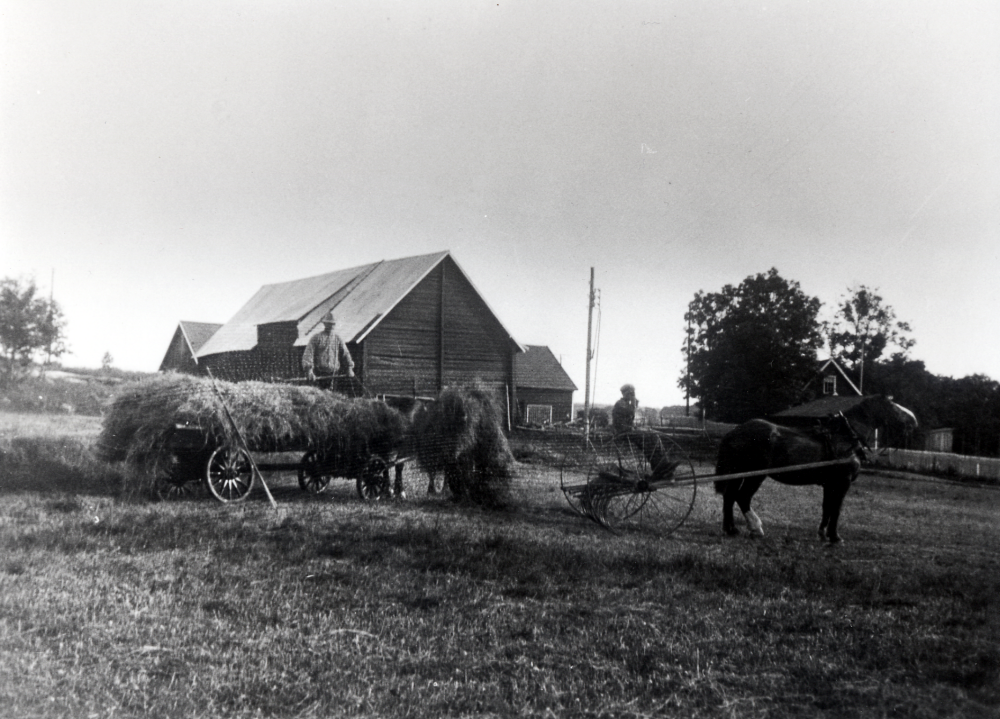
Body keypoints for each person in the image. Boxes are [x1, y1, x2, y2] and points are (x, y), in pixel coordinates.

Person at [302, 311, 355, 386]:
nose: (331, 326)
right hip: (319, 375)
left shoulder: (338, 339)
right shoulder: (316, 338)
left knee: (332, 396)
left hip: (334, 375)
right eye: (329, 324)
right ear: (324, 324)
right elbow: (308, 354)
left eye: (333, 324)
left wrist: (350, 368)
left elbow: (346, 354)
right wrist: (309, 370)